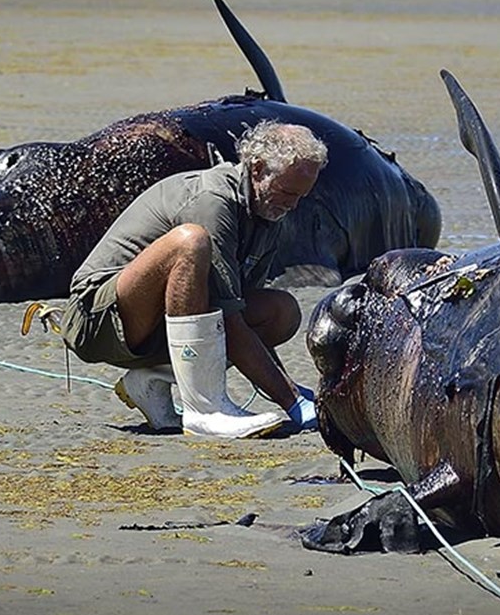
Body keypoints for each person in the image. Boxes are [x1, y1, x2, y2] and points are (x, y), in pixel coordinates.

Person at [61, 119, 329, 439]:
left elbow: (238, 316)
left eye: (301, 196)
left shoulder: (271, 215)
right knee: (190, 241)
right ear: (257, 169)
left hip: (162, 321)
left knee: (280, 311)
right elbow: (228, 318)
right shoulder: (212, 200)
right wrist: (292, 400)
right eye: (287, 191)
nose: (292, 204)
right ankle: (204, 408)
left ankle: (152, 379)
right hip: (97, 318)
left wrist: (289, 391)